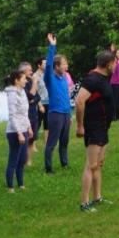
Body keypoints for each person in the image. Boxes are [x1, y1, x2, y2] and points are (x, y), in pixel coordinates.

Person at [75, 50, 116, 212]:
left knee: (99, 164)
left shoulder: (104, 78)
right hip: (93, 127)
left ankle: (97, 197)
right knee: (91, 165)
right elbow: (79, 101)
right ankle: (84, 203)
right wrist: (80, 126)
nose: (116, 66)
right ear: (108, 65)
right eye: (114, 64)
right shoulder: (92, 79)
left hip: (103, 126)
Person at [43, 33, 72, 173]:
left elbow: (66, 97)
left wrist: (70, 114)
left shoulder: (64, 79)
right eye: (64, 63)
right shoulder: (50, 78)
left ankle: (64, 164)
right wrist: (52, 47)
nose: (67, 66)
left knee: (65, 141)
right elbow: (48, 65)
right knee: (52, 142)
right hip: (55, 114)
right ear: (57, 66)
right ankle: (48, 168)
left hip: (66, 114)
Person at [4, 64, 34, 192]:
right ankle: (10, 186)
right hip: (14, 131)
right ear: (17, 80)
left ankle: (21, 184)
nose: (26, 80)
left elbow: (24, 113)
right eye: (24, 79)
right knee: (14, 159)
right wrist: (19, 133)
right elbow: (13, 115)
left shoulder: (22, 92)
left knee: (22, 159)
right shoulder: (12, 94)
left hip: (24, 129)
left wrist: (29, 127)